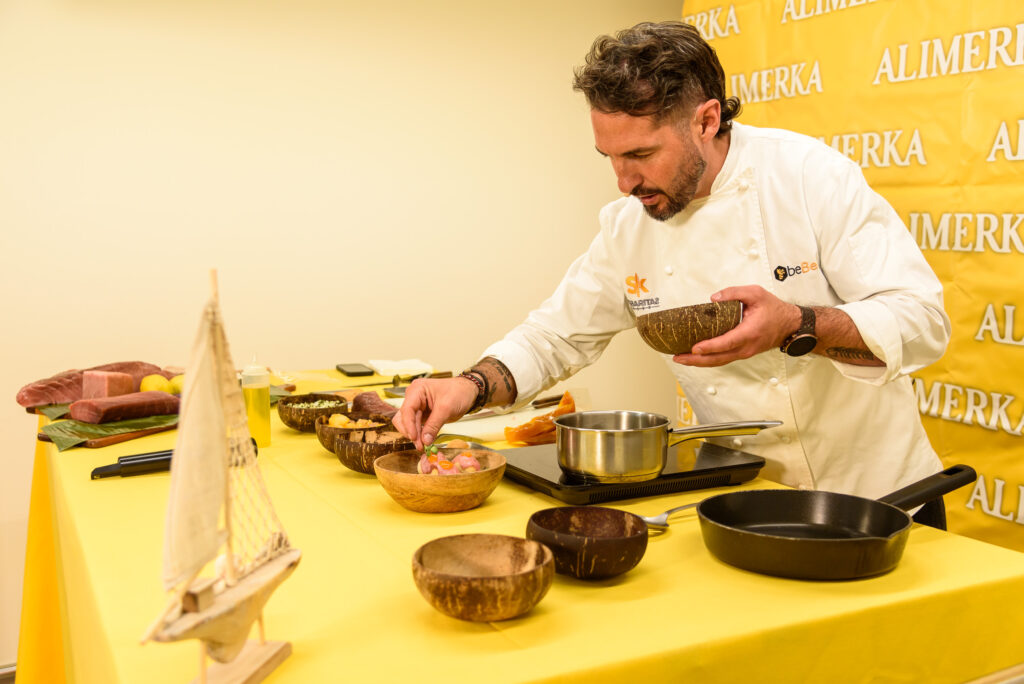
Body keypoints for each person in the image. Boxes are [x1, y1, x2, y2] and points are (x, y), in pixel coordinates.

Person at [393, 21, 951, 527]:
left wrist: (795, 324)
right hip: (749, 502)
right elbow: (554, 336)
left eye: (641, 153)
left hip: (878, 502)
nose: (623, 182)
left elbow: (922, 323)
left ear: (707, 119)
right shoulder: (627, 227)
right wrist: (467, 386)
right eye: (608, 157)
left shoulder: (809, 177)